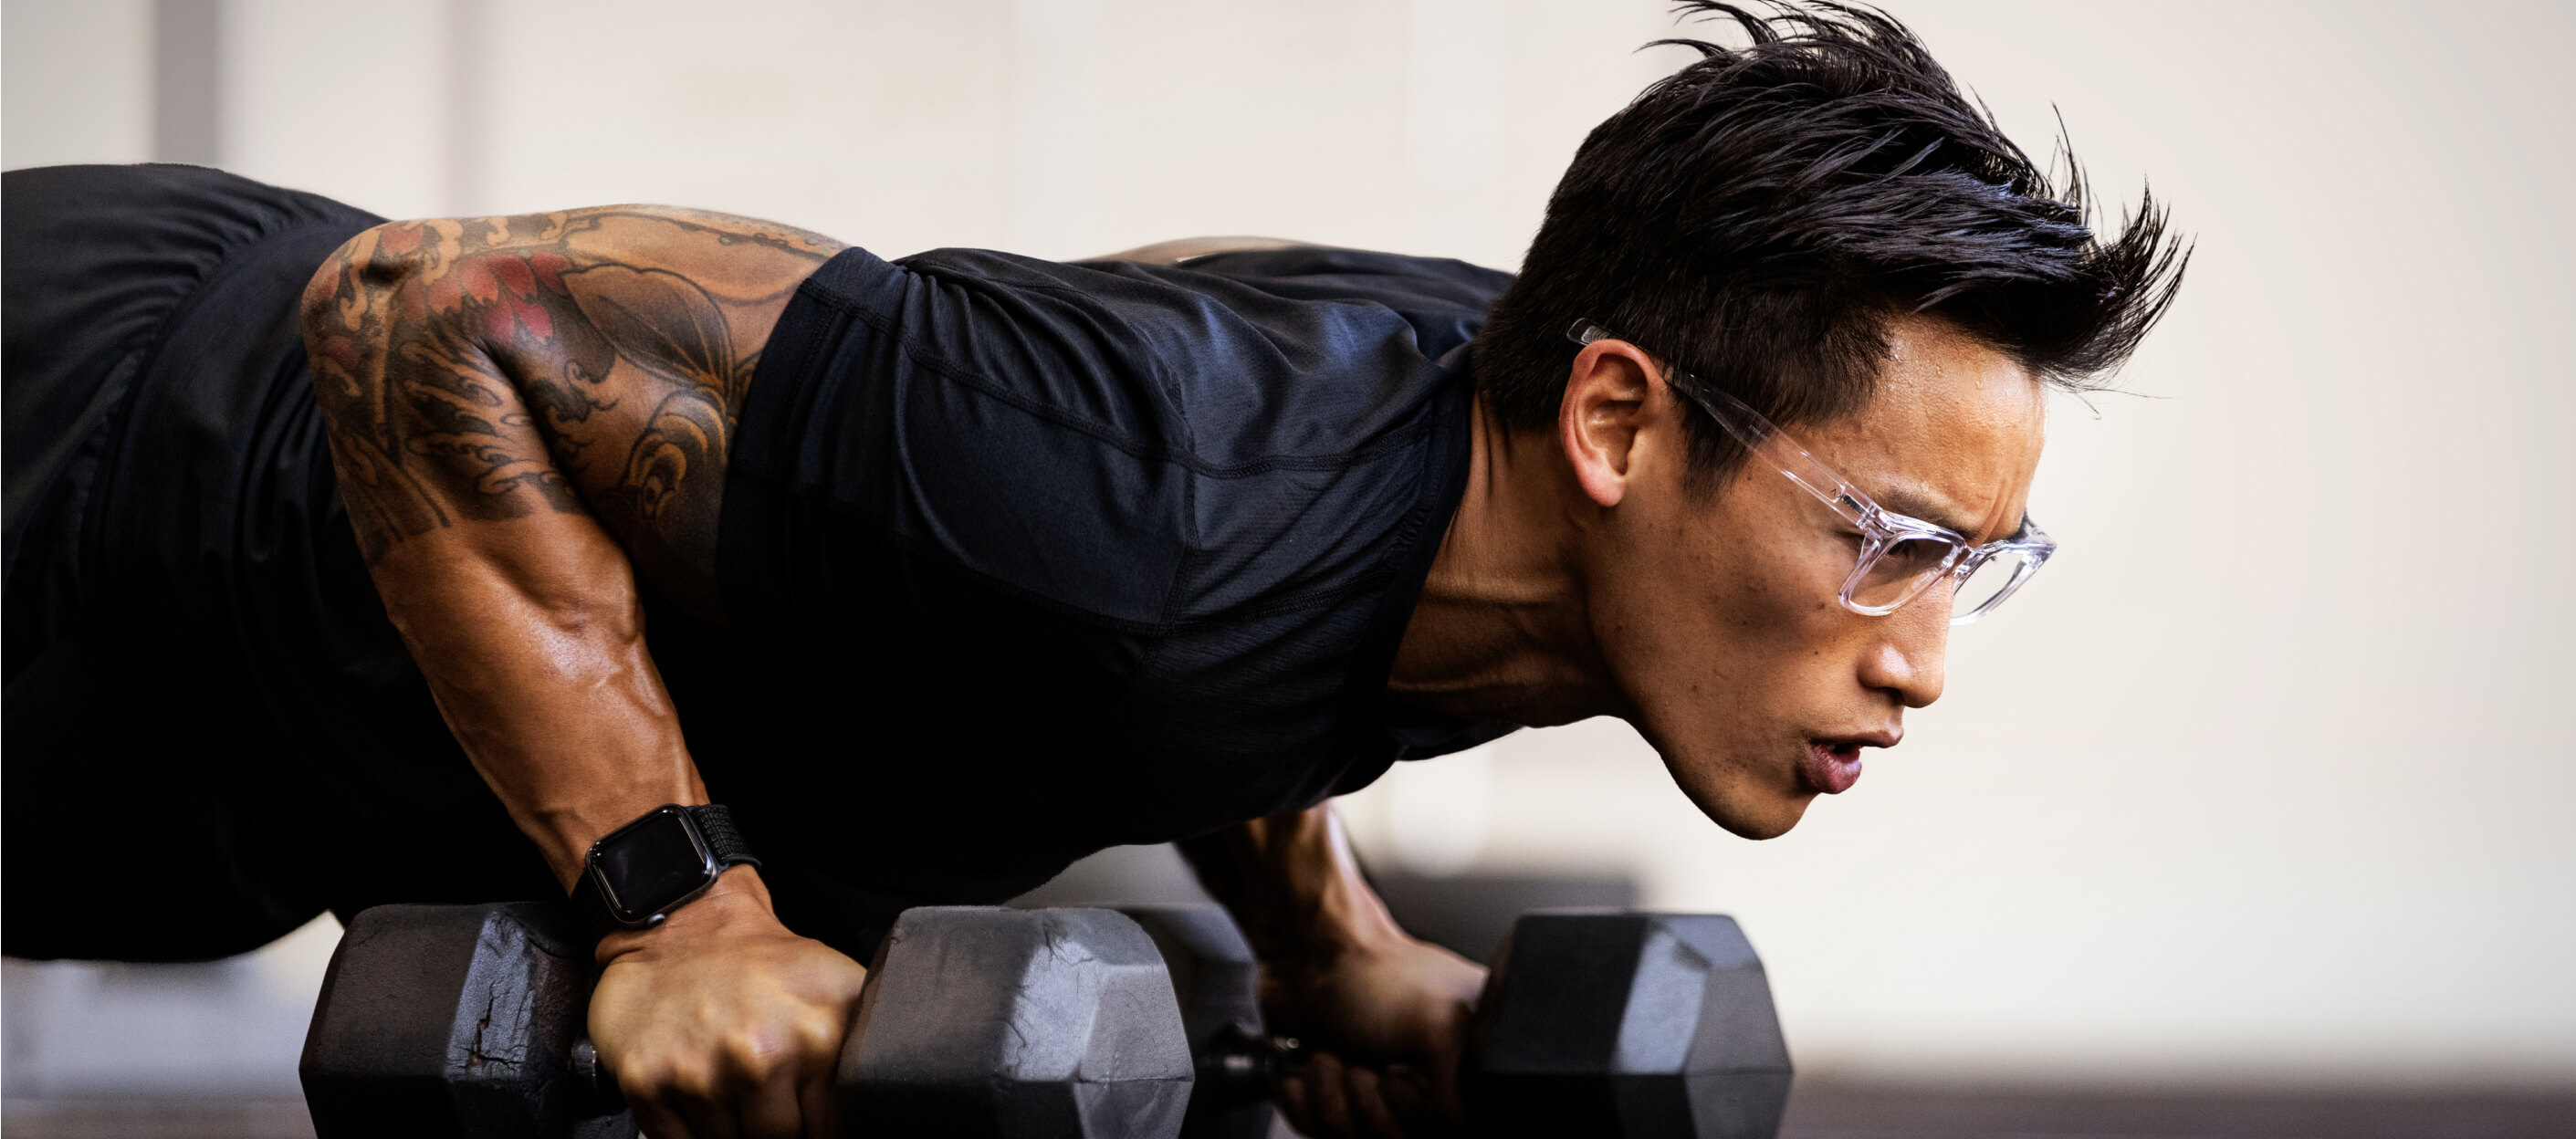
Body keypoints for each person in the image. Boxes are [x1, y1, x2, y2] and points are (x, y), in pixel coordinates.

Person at [0, 4, 2182, 1136]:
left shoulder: (1513, 499)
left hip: (218, 764)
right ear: (1616, 423)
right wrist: (683, 912)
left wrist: (1322, 945)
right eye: (1885, 545)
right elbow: (421, 306)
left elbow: (1211, 609)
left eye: (1970, 567)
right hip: (85, 466)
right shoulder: (1133, 487)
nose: (1917, 664)